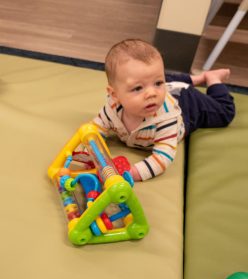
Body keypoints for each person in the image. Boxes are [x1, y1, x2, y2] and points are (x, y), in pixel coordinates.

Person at [92, 39, 235, 181]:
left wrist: (132, 172)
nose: (151, 93)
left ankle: (213, 78)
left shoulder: (166, 118)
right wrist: (91, 153)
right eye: (137, 88)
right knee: (155, 79)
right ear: (115, 95)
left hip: (187, 103)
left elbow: (163, 157)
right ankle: (193, 78)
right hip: (169, 88)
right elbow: (95, 130)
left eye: (158, 83)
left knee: (224, 112)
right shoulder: (112, 109)